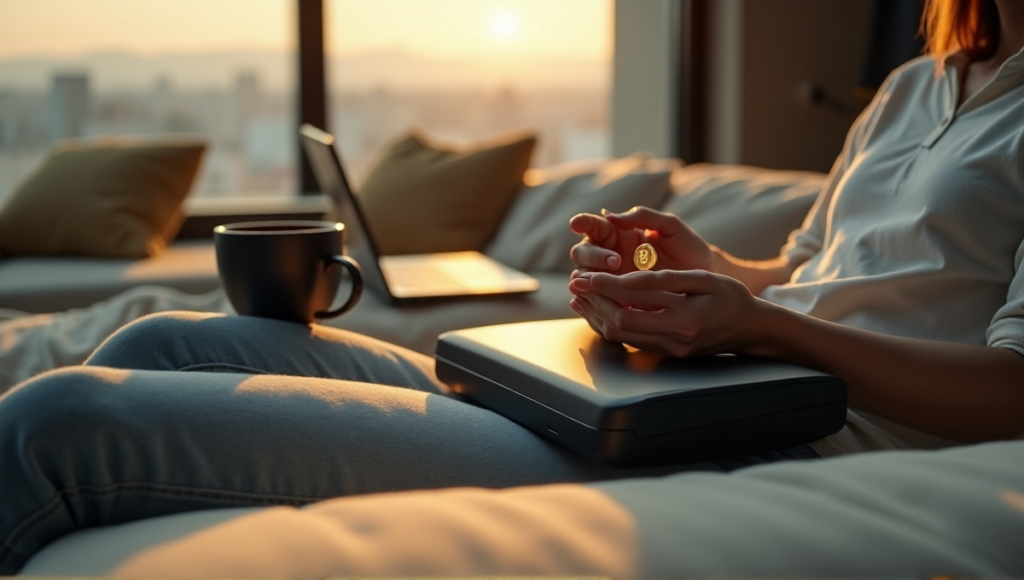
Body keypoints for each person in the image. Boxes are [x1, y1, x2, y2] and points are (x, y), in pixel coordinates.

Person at [0, 0, 1022, 573]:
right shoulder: (913, 83)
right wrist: (692, 262)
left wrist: (763, 330)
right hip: (710, 386)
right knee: (166, 341)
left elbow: (1012, 389)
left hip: (796, 431)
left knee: (63, 416)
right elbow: (804, 271)